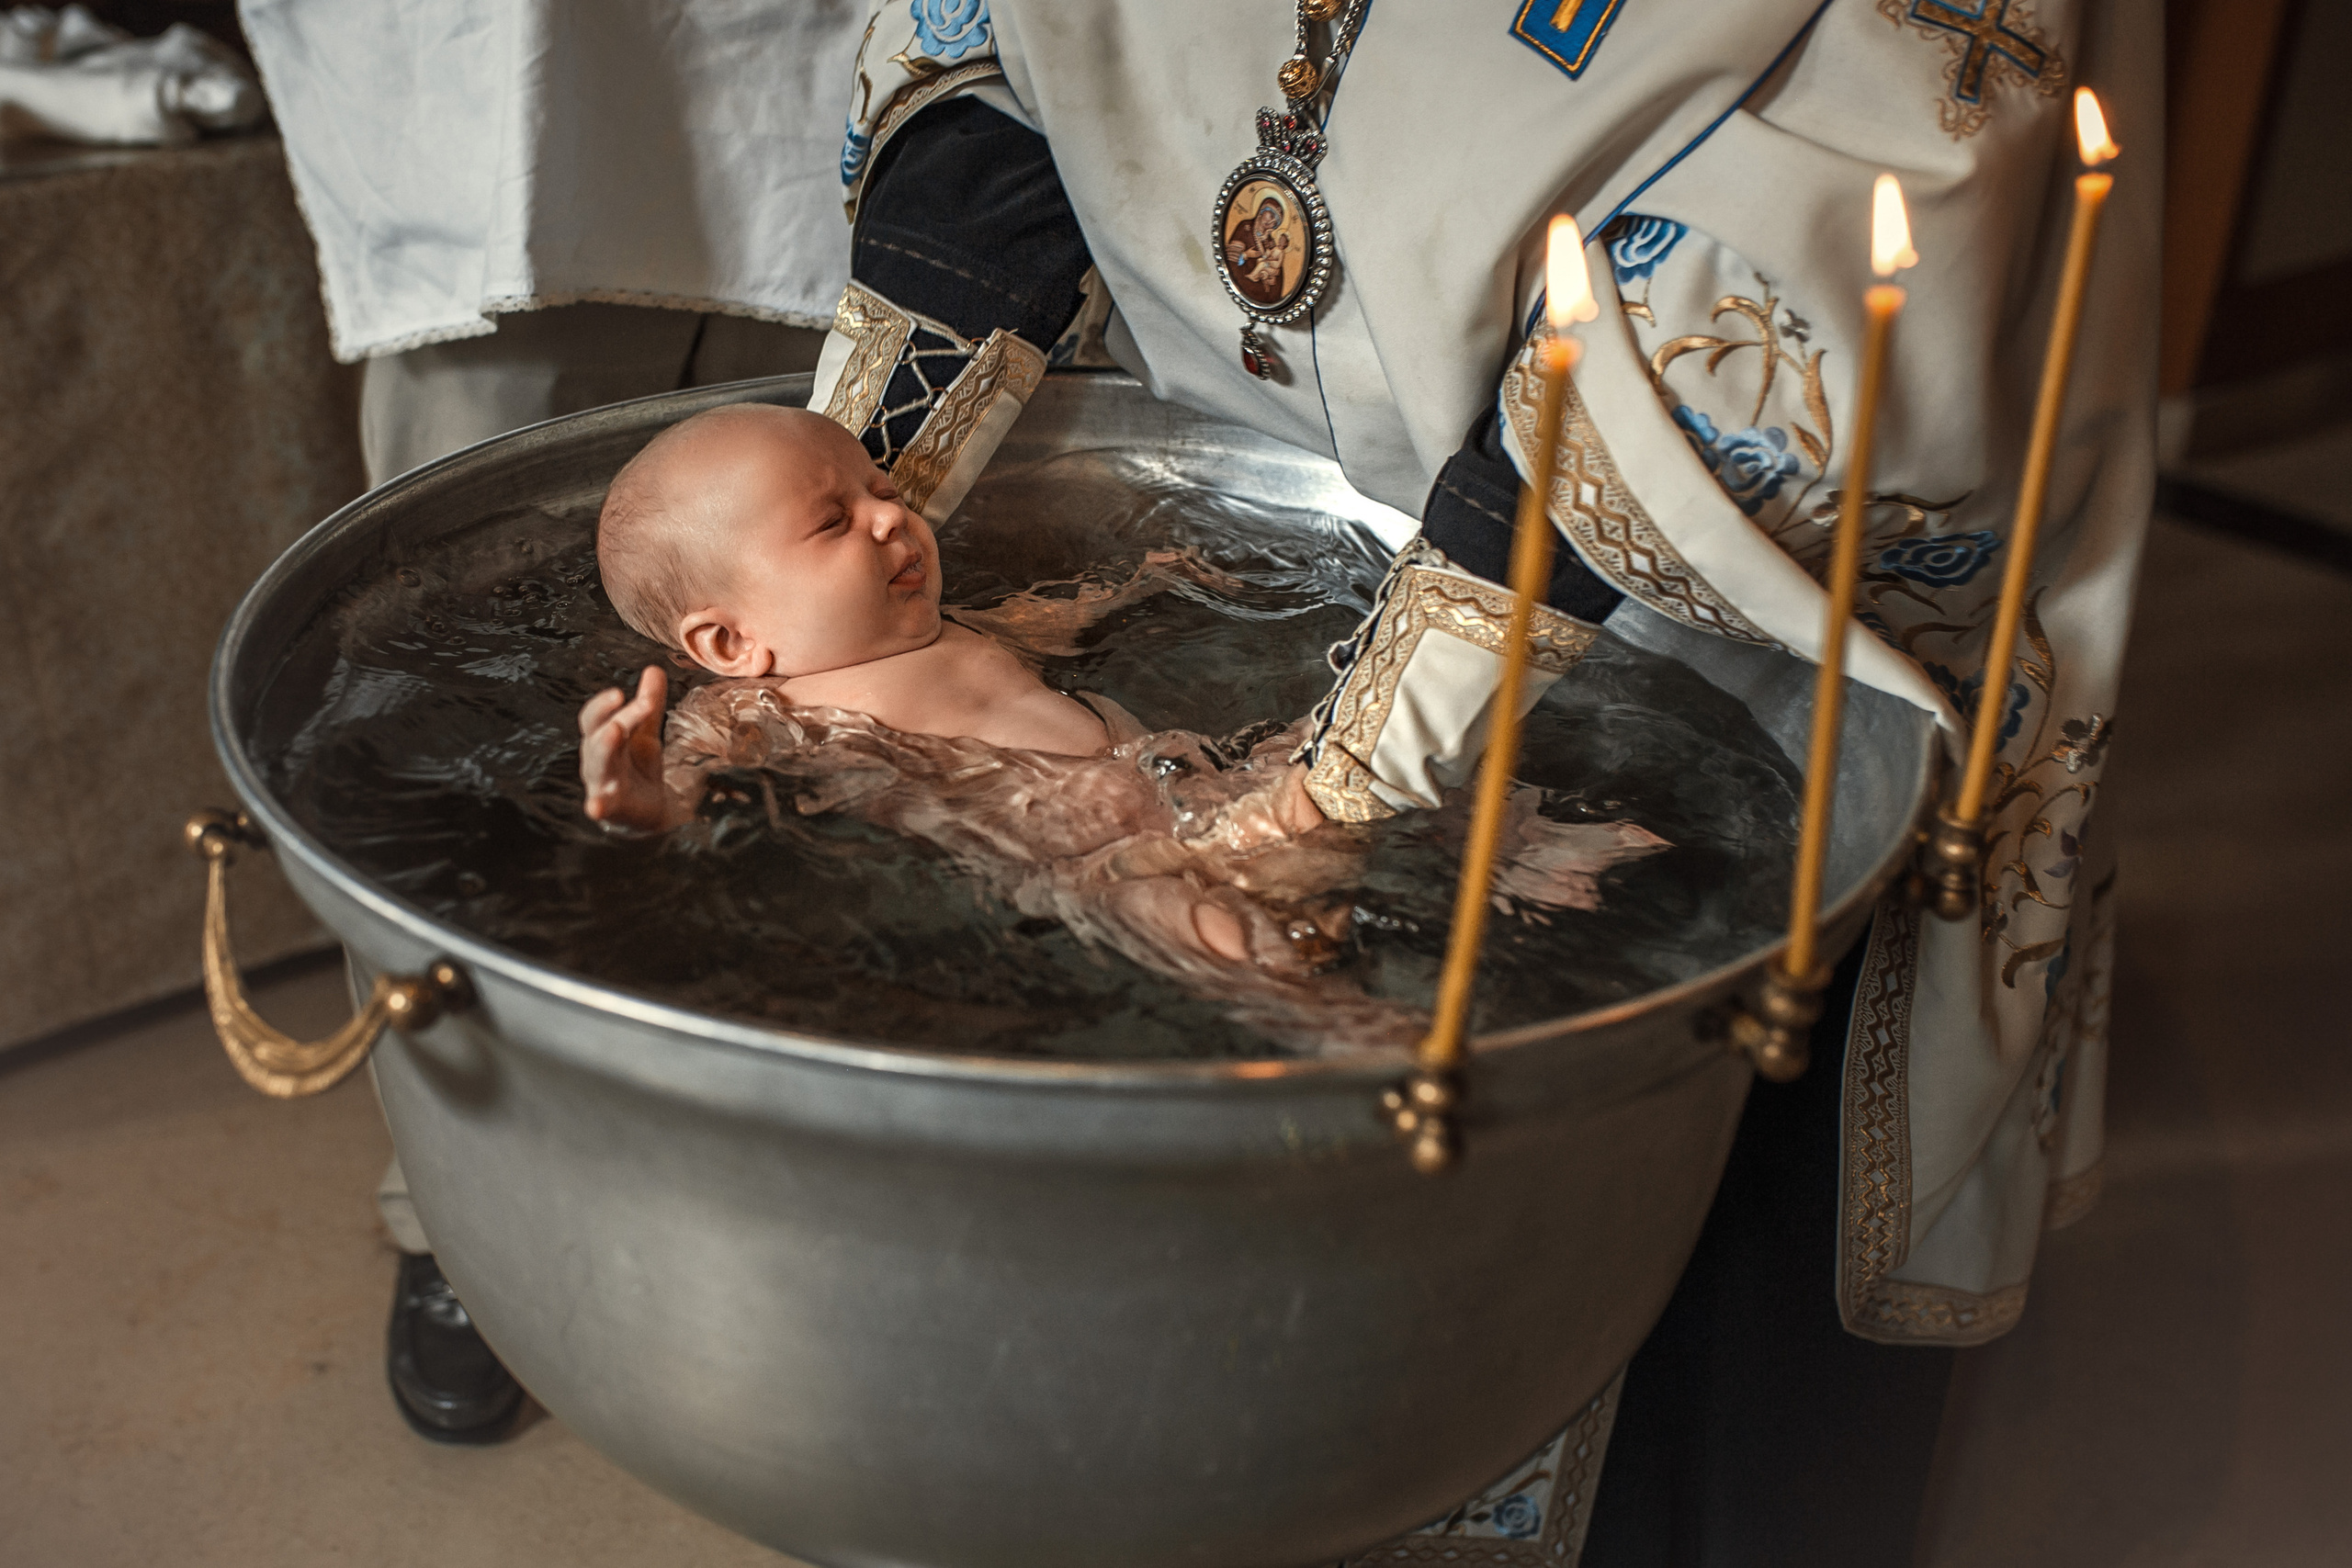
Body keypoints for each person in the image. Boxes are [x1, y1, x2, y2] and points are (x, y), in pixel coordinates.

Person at [808, 1, 2155, 1561]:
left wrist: (1335, 791)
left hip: (1708, 582)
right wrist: (825, 549)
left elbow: (1816, 238)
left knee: (1641, 1155)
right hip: (1269, 477)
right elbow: (1005, 58)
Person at [239, 0, 868, 1443]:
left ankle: (812, 1187)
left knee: (842, 679)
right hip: (522, 112)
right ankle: (456, 1222)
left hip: (834, 93)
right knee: (450, 717)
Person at [572, 402, 1665, 1044]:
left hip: (1204, 791)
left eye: (878, 484)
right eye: (834, 520)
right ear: (727, 644)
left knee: (1358, 746)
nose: (892, 514)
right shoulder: (752, 710)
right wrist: (642, 804)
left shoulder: (955, 626)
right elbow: (690, 797)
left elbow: (1054, 625)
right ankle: (1356, 1040)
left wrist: (1138, 585)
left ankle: (1517, 843)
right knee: (1192, 928)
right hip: (1088, 859)